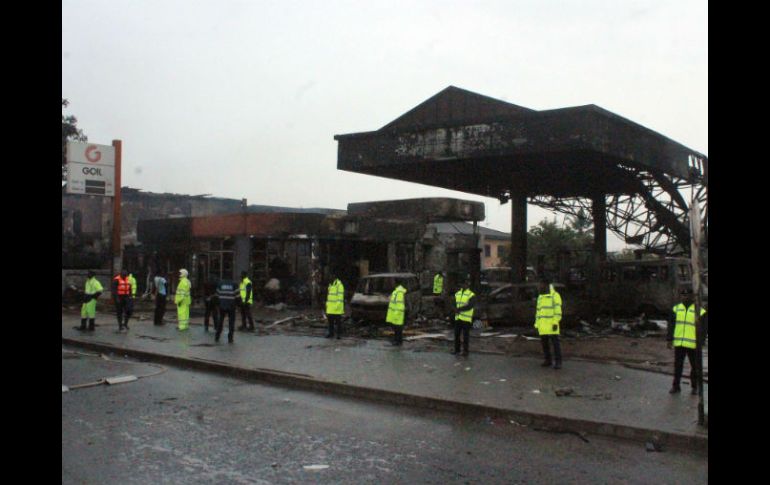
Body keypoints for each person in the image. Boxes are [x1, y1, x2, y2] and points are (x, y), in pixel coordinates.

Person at [667, 290, 707, 394]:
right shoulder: (676, 309)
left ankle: (694, 387)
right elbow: (671, 325)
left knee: (695, 367)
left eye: (687, 295)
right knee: (678, 366)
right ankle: (676, 386)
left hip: (693, 344)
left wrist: (701, 341)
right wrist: (669, 339)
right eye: (683, 295)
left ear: (692, 297)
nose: (684, 297)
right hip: (679, 343)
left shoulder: (699, 311)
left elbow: (704, 328)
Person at [535, 280, 563, 369]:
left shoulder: (555, 296)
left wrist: (555, 322)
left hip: (552, 325)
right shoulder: (540, 297)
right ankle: (548, 360)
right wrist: (537, 324)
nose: (538, 287)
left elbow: (558, 311)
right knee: (545, 344)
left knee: (555, 344)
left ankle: (558, 362)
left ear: (546, 285)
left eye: (540, 285)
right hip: (543, 325)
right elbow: (538, 312)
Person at [452, 275, 476, 356]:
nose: (463, 285)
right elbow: (454, 304)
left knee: (465, 336)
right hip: (458, 317)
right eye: (462, 284)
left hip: (466, 318)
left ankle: (465, 351)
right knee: (457, 335)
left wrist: (459, 309)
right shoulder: (457, 294)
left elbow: (470, 306)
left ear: (467, 285)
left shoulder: (471, 295)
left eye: (465, 284)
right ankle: (457, 350)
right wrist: (455, 309)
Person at [215, 277, 238, 343]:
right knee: (231, 322)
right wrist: (238, 305)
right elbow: (237, 296)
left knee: (220, 321)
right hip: (231, 306)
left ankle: (217, 336)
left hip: (222, 305)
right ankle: (230, 338)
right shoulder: (234, 284)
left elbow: (217, 295)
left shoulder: (220, 284)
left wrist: (218, 304)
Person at [325, 272, 345, 339]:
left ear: (334, 277)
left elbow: (340, 297)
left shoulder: (339, 285)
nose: (330, 278)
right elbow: (329, 297)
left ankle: (339, 334)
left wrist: (337, 306)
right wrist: (327, 304)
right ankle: (331, 333)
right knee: (330, 323)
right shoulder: (330, 285)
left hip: (337, 309)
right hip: (330, 308)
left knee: (338, 323)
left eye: (331, 276)